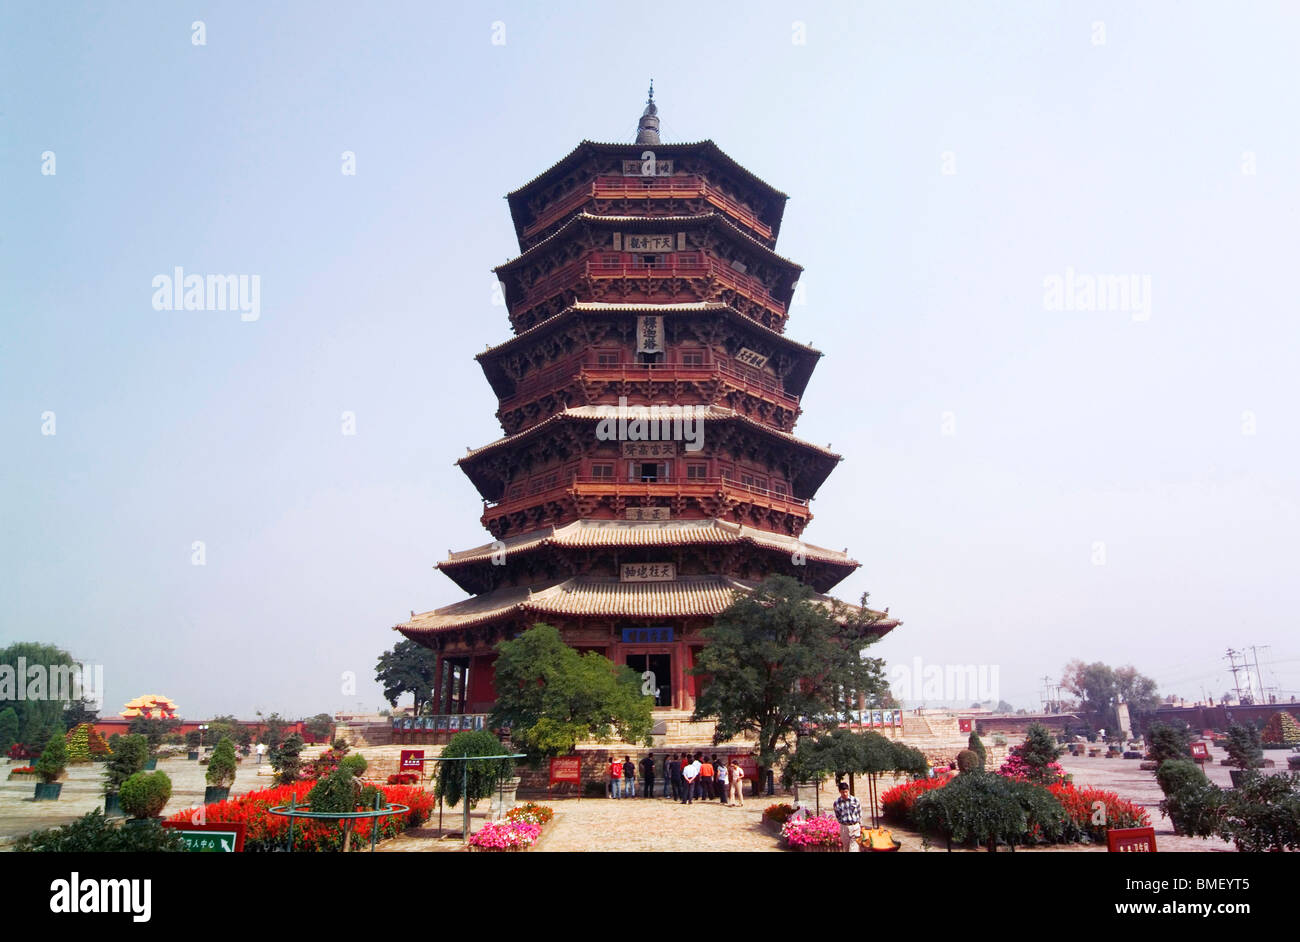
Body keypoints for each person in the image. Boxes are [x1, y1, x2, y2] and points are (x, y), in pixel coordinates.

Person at [833, 781, 862, 852]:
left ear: (848, 790)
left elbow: (859, 812)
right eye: (843, 792)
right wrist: (843, 823)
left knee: (853, 849)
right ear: (839, 791)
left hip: (855, 827)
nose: (845, 794)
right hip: (844, 828)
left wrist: (859, 824)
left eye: (846, 792)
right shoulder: (837, 803)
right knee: (846, 848)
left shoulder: (855, 800)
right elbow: (837, 815)